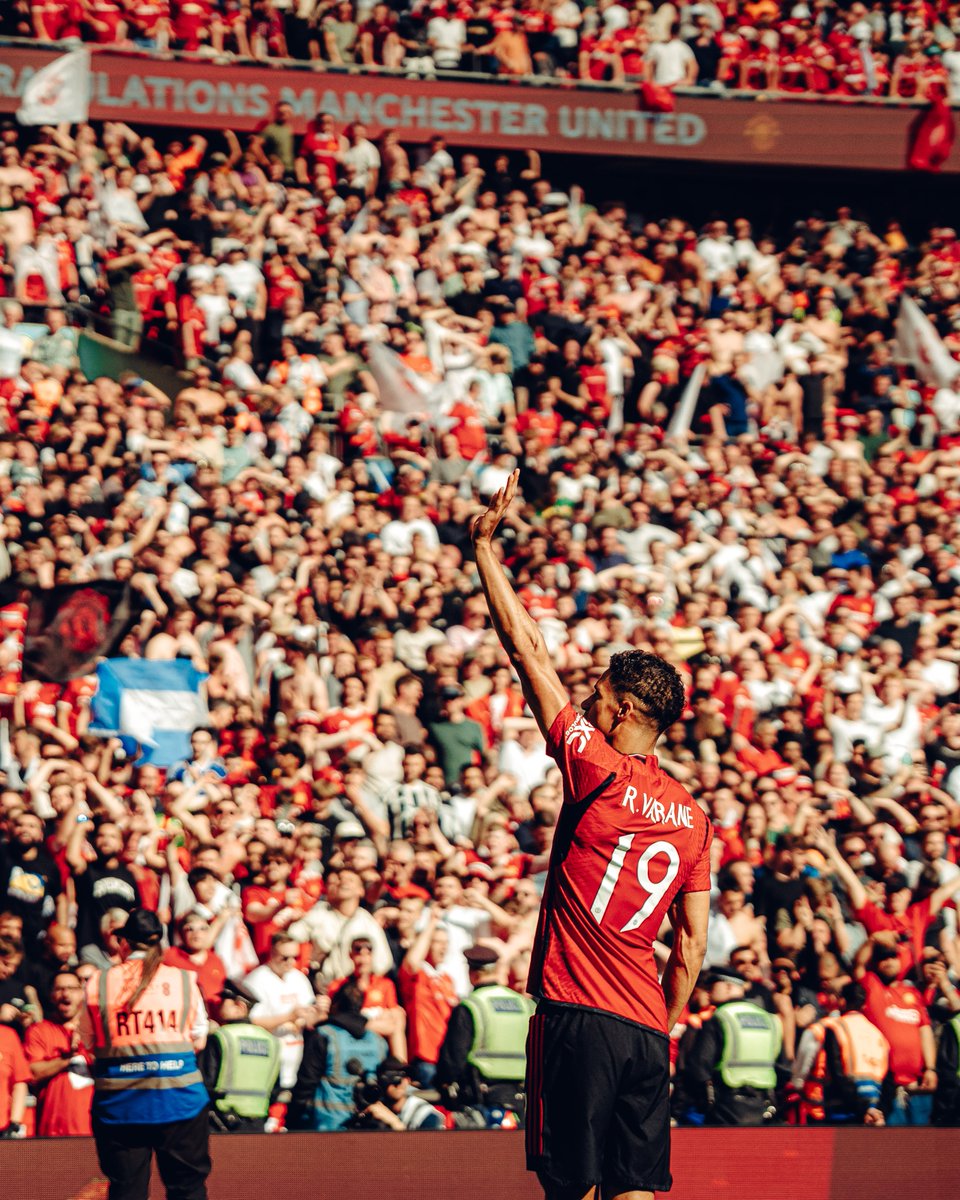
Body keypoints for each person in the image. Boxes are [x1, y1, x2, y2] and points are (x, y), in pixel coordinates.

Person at [470, 472, 712, 1200]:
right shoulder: (696, 818)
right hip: (645, 1028)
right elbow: (690, 947)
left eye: (599, 697)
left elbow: (527, 650)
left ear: (625, 710)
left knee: (570, 1186)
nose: (586, 703)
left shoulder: (596, 769)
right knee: (633, 1190)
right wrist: (661, 1025)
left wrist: (484, 551)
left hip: (578, 1013)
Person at [79, 909, 210, 1200]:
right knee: (188, 1190)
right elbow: (199, 1037)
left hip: (120, 1107)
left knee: (127, 1191)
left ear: (124, 942)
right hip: (180, 1103)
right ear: (159, 942)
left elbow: (87, 1041)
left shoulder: (99, 982)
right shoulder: (184, 980)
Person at [435, 943, 535, 1120]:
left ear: (473, 974)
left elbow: (453, 1059)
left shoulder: (471, 1005)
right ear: (496, 970)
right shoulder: (525, 1004)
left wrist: (443, 1082)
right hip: (525, 1098)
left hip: (482, 1098)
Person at [683, 967, 782, 1126]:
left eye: (712, 986)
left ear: (728, 986)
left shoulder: (721, 1016)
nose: (708, 992)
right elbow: (783, 1066)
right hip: (765, 1106)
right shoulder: (769, 1019)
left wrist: (703, 1103)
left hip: (726, 1106)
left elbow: (699, 1066)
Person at [289, 980, 387, 1130]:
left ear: (336, 1004)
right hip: (365, 1127)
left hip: (325, 1127)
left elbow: (306, 1083)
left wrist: (292, 1121)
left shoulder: (323, 1035)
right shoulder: (378, 1042)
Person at [791, 981, 890, 1125]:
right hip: (871, 1111)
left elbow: (807, 1065)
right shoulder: (878, 1034)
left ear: (841, 1001)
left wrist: (797, 1084)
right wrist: (875, 1110)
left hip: (836, 1110)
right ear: (864, 1005)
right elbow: (887, 1079)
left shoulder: (829, 1027)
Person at [200, 977, 281, 1132]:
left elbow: (205, 1082)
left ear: (240, 1006)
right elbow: (275, 1089)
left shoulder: (222, 1037)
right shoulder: (271, 1041)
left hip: (220, 1122)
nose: (219, 1004)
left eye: (224, 1001)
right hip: (257, 1123)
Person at [24, 968, 94, 1136]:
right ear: (51, 995)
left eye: (72, 988)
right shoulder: (39, 1030)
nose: (65, 994)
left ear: (82, 993)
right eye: (59, 989)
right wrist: (68, 1059)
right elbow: (33, 1073)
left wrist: (88, 1047)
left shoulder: (96, 1031)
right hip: (52, 1129)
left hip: (92, 1128)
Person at [348, 1055, 445, 1131]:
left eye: (403, 1077)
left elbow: (428, 1149)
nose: (399, 1083)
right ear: (380, 1082)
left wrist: (394, 1123)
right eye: (392, 1078)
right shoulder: (374, 1111)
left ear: (408, 1080)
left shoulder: (425, 1115)